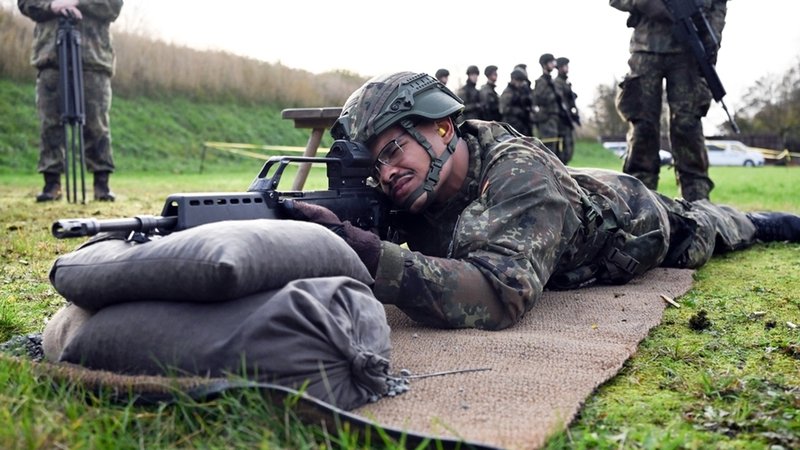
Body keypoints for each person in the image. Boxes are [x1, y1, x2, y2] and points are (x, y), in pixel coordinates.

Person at [285, 71, 800, 332]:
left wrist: (373, 256)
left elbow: (497, 294)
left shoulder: (519, 173)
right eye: (374, 163)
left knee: (707, 225)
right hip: (561, 203)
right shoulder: (406, 187)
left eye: (394, 149)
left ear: (443, 127)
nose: (387, 172)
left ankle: (759, 221)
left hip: (633, 224)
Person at [611, 0, 728, 201]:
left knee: (688, 125)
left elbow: (718, 4)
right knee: (643, 127)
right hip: (647, 48)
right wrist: (648, 4)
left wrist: (712, 36)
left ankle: (697, 204)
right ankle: (638, 201)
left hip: (690, 50)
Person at [19, 0, 123, 202]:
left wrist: (76, 2)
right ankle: (52, 184)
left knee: (97, 124)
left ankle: (101, 184)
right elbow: (26, 3)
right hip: (50, 58)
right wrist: (52, 6)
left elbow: (113, 6)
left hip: (93, 60)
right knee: (50, 124)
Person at [531, 53, 563, 158]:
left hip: (554, 119)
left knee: (555, 149)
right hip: (546, 119)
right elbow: (538, 99)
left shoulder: (552, 81)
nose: (553, 64)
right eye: (550, 62)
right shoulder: (541, 82)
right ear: (544, 64)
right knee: (548, 148)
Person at [553, 57, 580, 164]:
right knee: (563, 150)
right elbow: (560, 101)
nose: (567, 68)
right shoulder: (557, 82)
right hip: (561, 121)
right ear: (559, 68)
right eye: (565, 66)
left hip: (567, 120)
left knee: (569, 149)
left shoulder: (565, 82)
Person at [499, 67, 533, 136]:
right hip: (512, 125)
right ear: (514, 80)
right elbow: (502, 109)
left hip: (522, 125)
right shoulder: (508, 92)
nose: (521, 83)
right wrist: (517, 111)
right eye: (519, 81)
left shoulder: (520, 91)